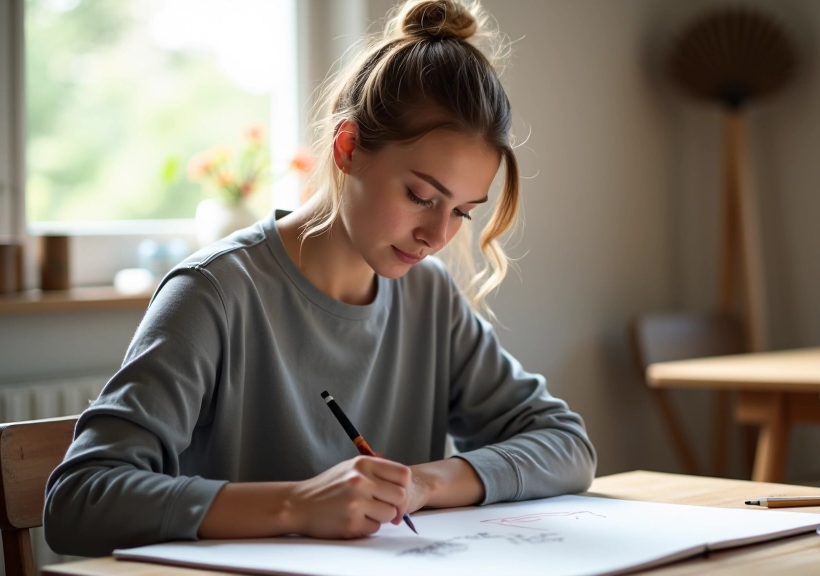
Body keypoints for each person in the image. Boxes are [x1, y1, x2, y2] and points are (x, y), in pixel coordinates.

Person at [44, 0, 596, 557]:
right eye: (422, 197)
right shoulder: (214, 294)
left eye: (461, 211)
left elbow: (566, 445)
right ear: (348, 147)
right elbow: (80, 500)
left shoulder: (430, 298)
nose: (436, 235)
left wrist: (425, 483)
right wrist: (297, 505)